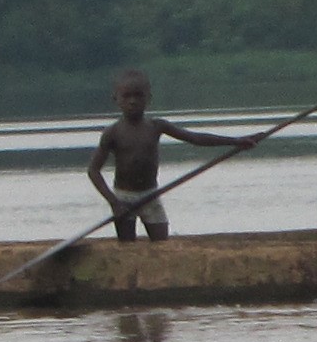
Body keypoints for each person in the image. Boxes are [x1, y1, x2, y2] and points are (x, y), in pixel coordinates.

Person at [85, 69, 260, 239]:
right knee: (127, 247)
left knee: (161, 240)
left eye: (138, 96)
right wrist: (114, 202)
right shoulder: (113, 133)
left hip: (150, 194)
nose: (133, 101)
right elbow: (93, 170)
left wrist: (236, 141)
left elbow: (196, 138)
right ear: (116, 99)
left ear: (148, 99)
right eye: (127, 96)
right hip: (123, 197)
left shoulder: (156, 126)